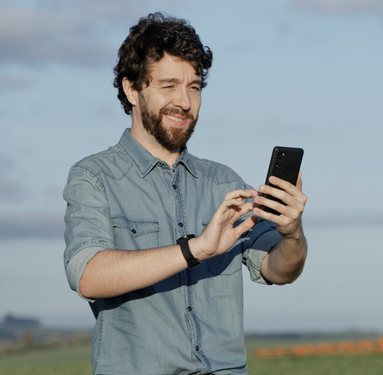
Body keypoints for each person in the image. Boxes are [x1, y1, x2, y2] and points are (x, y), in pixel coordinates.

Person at [62, 13, 308, 375]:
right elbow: (88, 275)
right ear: (132, 89)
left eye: (194, 87)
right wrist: (196, 249)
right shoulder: (93, 177)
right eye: (168, 86)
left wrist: (292, 233)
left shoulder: (225, 183)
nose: (185, 102)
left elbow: (279, 270)